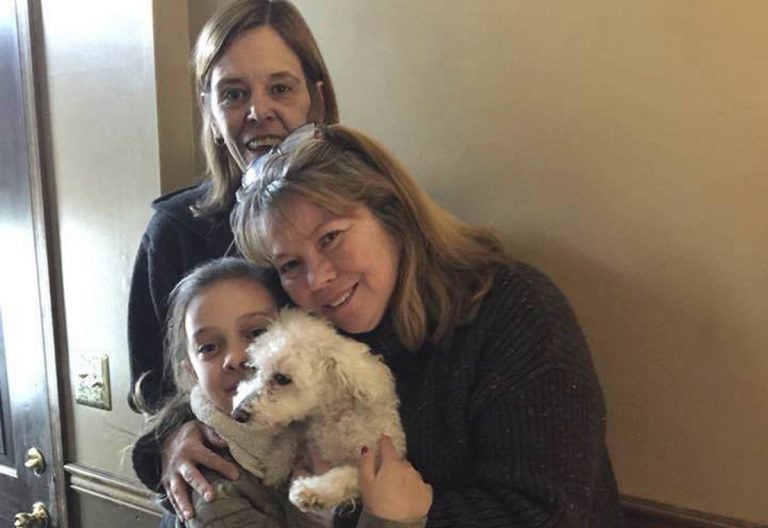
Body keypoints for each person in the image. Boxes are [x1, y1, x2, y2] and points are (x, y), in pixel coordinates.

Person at [134, 124, 626, 527]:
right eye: (289, 266)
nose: (318, 279)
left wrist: (393, 516)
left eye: (331, 238)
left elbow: (551, 512)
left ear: (392, 214)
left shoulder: (514, 311)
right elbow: (233, 370)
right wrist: (175, 436)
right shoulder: (314, 327)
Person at [128, 0, 339, 414]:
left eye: (280, 88)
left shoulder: (365, 216)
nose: (258, 112)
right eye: (234, 94)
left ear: (314, 101)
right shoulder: (173, 232)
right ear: (209, 109)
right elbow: (151, 389)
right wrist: (171, 437)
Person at [135, 256, 429, 528]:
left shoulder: (315, 419)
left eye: (257, 333)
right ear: (190, 371)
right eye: (209, 347)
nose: (236, 357)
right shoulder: (213, 489)